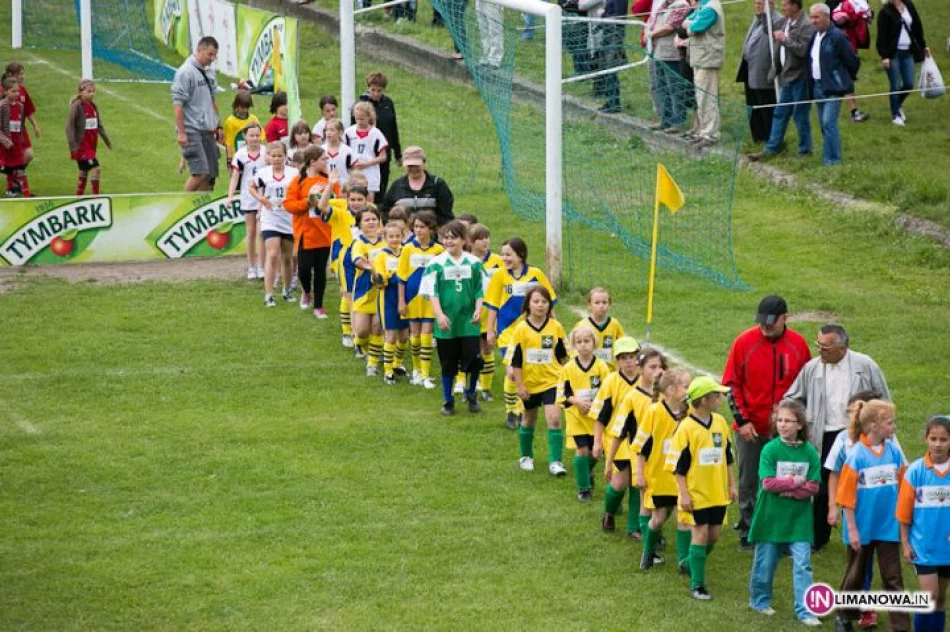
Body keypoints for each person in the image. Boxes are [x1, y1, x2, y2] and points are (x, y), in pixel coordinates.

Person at [783, 322, 891, 552]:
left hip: (858, 437)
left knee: (861, 485)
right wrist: (793, 421)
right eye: (818, 345)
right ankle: (818, 538)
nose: (820, 350)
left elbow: (884, 400)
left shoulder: (864, 365)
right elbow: (792, 397)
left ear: (842, 347)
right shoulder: (812, 368)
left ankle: (864, 534)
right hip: (824, 435)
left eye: (825, 347)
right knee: (821, 487)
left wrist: (881, 431)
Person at [722, 295, 811, 550]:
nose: (765, 328)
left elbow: (804, 387)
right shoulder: (744, 342)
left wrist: (793, 420)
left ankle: (781, 529)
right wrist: (743, 421)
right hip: (751, 428)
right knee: (749, 480)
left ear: (785, 318)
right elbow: (731, 385)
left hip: (785, 430)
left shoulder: (798, 346)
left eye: (771, 323)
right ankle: (749, 528)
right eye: (762, 322)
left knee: (785, 479)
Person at [834, 399, 909, 632]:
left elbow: (904, 485)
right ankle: (844, 615)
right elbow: (845, 497)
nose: (894, 426)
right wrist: (853, 529)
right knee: (855, 575)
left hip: (888, 527)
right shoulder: (856, 456)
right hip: (861, 528)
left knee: (893, 578)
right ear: (874, 425)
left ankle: (901, 627)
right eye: (890, 422)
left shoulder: (894, 451)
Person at [746, 400, 822, 627]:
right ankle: (759, 601)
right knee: (765, 562)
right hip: (771, 516)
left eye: (788, 421)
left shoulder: (809, 452)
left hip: (798, 519)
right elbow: (768, 483)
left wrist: (790, 490)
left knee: (803, 564)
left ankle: (806, 611)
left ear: (800, 425)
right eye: (779, 420)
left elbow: (814, 487)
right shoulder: (770, 449)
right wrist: (795, 482)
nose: (782, 425)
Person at [665, 375, 737, 601]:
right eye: (717, 395)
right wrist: (683, 493)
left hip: (717, 493)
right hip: (696, 493)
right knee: (700, 534)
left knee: (713, 536)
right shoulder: (685, 428)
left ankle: (688, 563)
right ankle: (698, 585)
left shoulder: (720, 423)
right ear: (704, 400)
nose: (720, 398)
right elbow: (678, 467)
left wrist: (731, 485)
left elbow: (727, 457)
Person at [484, 237, 557, 430]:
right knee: (511, 372)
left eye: (508, 254)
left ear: (521, 255)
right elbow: (492, 305)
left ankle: (519, 409)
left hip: (531, 333)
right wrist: (490, 330)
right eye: (503, 254)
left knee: (523, 371)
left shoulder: (535, 274)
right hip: (507, 334)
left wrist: (555, 326)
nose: (504, 258)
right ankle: (512, 411)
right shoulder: (499, 276)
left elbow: (549, 301)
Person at [420, 220, 486, 415]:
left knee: (474, 360)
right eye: (445, 238)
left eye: (453, 237)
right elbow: (432, 292)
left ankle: (471, 394)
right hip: (446, 322)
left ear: (463, 240)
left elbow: (479, 289)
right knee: (448, 363)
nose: (449, 241)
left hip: (468, 322)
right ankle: (448, 401)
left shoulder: (474, 263)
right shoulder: (435, 264)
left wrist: (478, 309)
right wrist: (439, 315)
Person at [633, 367, 692, 571]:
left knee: (683, 518)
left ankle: (683, 562)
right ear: (671, 390)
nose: (689, 390)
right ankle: (648, 552)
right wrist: (639, 472)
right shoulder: (654, 412)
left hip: (683, 478)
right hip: (659, 476)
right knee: (658, 518)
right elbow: (641, 446)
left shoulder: (690, 412)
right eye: (686, 386)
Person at [605, 348, 667, 542]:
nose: (658, 371)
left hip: (663, 455)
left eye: (661, 367)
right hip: (638, 454)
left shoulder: (668, 395)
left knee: (659, 496)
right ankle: (621, 519)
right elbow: (619, 433)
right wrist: (608, 462)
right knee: (632, 488)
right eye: (652, 367)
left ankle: (649, 532)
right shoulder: (632, 398)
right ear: (641, 369)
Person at [897, 415, 950, 632]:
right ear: (926, 439)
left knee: (940, 599)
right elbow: (903, 513)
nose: (938, 444)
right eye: (933, 438)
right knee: (929, 597)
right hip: (924, 547)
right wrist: (905, 543)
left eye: (944, 439)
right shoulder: (916, 471)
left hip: (946, 549)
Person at [509, 286, 569, 475]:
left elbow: (562, 356)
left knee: (554, 419)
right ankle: (526, 457)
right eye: (536, 301)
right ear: (528, 304)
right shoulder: (521, 329)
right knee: (529, 419)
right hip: (529, 383)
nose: (540, 305)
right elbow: (516, 361)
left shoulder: (555, 327)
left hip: (552, 381)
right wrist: (520, 384)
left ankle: (556, 462)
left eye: (544, 302)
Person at [747, 0, 815, 161]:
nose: (783, 7)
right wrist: (763, 13)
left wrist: (784, 39)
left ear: (795, 6)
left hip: (800, 78)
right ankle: (772, 148)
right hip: (786, 77)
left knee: (800, 115)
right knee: (780, 113)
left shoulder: (806, 25)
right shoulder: (786, 22)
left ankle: (805, 151)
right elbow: (768, 29)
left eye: (786, 4)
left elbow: (802, 50)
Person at [591, 336, 641, 528]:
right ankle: (609, 512)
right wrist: (597, 442)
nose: (629, 361)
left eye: (632, 356)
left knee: (637, 481)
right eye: (623, 357)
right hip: (617, 439)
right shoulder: (611, 382)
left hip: (640, 440)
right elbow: (601, 417)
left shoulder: (647, 381)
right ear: (616, 361)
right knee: (619, 483)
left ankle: (634, 527)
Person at [557, 325, 611, 501]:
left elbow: (608, 391)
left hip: (596, 419)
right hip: (577, 417)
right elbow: (562, 393)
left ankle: (587, 471)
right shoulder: (569, 368)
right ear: (573, 345)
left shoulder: (602, 367)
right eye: (578, 342)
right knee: (582, 450)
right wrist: (577, 401)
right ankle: (584, 488)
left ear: (594, 343)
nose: (583, 345)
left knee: (596, 452)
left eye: (587, 341)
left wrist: (597, 404)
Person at [284, 145, 337, 318]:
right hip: (305, 233)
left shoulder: (329, 180)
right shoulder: (298, 181)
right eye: (323, 159)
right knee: (304, 269)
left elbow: (338, 200)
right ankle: (306, 291)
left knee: (321, 270)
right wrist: (308, 201)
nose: (327, 161)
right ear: (313, 162)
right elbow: (289, 205)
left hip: (324, 233)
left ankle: (319, 306)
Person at [807, 3, 860, 166]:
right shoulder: (814, 36)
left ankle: (833, 161)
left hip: (833, 87)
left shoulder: (838, 36)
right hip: (817, 86)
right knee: (824, 125)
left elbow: (852, 60)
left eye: (817, 17)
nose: (813, 21)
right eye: (812, 17)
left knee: (828, 123)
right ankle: (828, 155)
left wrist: (843, 78)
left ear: (826, 17)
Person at [397, 210, 445, 390]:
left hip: (430, 298)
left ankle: (425, 374)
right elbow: (401, 277)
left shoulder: (439, 250)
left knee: (426, 335)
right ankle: (416, 370)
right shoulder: (408, 249)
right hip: (411, 298)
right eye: (416, 226)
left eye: (422, 227)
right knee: (414, 335)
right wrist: (401, 301)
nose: (418, 230)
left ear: (431, 229)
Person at [319, 174, 367, 348]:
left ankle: (363, 328)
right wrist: (330, 185)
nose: (356, 203)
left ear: (366, 199)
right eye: (352, 199)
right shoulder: (340, 213)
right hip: (344, 258)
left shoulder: (371, 213)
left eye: (359, 199)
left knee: (363, 294)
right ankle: (348, 332)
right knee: (347, 295)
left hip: (365, 258)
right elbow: (322, 206)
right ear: (346, 199)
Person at [251, 142, 299, 307]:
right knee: (272, 255)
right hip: (270, 218)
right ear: (269, 157)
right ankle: (268, 294)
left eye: (280, 156)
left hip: (288, 218)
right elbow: (251, 186)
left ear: (285, 156)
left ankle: (287, 290)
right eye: (274, 156)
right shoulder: (263, 173)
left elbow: (301, 190)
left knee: (288, 257)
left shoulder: (294, 173)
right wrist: (261, 199)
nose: (277, 159)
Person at [172, 36, 222, 192]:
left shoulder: (209, 72)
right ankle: (182, 207)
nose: (212, 59)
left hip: (208, 129)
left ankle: (202, 208)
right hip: (192, 129)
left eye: (215, 55)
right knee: (200, 172)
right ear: (199, 50)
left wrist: (218, 125)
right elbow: (178, 104)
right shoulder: (185, 73)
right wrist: (181, 132)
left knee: (211, 176)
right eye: (210, 54)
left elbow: (212, 99)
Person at [876, 0, 930, 127]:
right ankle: (896, 115)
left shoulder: (909, 6)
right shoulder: (885, 12)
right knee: (895, 84)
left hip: (908, 52)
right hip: (892, 53)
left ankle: (896, 104)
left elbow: (917, 27)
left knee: (909, 84)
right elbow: (881, 36)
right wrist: (884, 56)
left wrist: (923, 46)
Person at [737, 0, 783, 144]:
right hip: (750, 69)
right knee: (753, 105)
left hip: (765, 70)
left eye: (760, 3)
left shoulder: (777, 20)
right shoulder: (757, 18)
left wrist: (773, 69)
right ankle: (758, 137)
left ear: (770, 4)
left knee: (766, 105)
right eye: (756, 3)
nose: (757, 6)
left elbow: (776, 46)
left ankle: (771, 138)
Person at [682, 0, 725, 148]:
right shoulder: (703, 6)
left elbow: (694, 28)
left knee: (707, 97)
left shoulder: (710, 8)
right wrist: (690, 24)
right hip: (700, 58)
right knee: (701, 97)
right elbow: (685, 22)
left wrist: (691, 25)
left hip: (708, 58)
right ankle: (703, 132)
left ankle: (710, 134)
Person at [469, 224, 505, 399]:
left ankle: (486, 387)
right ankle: (469, 384)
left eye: (486, 237)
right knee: (471, 350)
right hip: (471, 312)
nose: (484, 241)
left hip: (491, 313)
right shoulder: (467, 260)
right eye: (479, 238)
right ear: (470, 242)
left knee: (488, 348)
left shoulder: (499, 261)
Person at [227, 122, 266, 280]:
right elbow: (235, 177)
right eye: (251, 135)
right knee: (250, 233)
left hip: (263, 198)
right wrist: (230, 196)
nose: (254, 138)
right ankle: (251, 267)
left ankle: (262, 266)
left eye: (257, 135)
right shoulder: (240, 155)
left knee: (261, 233)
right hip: (248, 198)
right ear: (245, 136)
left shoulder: (266, 153)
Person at [377, 146, 455, 225]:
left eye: (416, 165)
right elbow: (385, 212)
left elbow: (446, 215)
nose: (413, 169)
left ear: (424, 163)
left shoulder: (438, 184)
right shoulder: (397, 186)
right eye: (410, 166)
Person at [349, 207, 386, 375]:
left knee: (377, 327)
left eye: (374, 219)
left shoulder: (386, 241)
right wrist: (371, 268)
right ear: (359, 225)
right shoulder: (359, 242)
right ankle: (358, 342)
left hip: (382, 292)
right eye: (367, 220)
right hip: (364, 292)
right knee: (363, 331)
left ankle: (372, 363)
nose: (371, 222)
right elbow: (357, 260)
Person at [372, 222, 409, 384]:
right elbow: (379, 278)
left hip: (405, 297)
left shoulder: (406, 253)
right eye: (391, 236)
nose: (395, 239)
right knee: (391, 336)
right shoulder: (381, 256)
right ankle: (388, 371)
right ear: (385, 238)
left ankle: (397, 363)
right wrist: (388, 275)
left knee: (404, 336)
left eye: (398, 236)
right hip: (388, 298)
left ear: (402, 236)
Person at [649, 0, 692, 133]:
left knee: (675, 89)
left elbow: (671, 27)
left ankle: (678, 122)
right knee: (661, 88)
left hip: (671, 55)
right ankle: (664, 120)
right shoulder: (664, 5)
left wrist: (651, 34)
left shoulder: (682, 5)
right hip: (658, 52)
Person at [357, 73, 401, 197]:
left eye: (379, 90)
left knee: (382, 185)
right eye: (373, 90)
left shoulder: (388, 103)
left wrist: (397, 153)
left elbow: (393, 128)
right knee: (366, 187)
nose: (376, 93)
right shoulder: (361, 104)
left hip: (384, 151)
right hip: (367, 153)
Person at [66, 79, 113, 196]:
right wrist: (73, 145)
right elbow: (69, 127)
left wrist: (106, 140)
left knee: (84, 170)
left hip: (91, 146)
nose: (92, 94)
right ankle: (95, 196)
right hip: (81, 147)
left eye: (93, 91)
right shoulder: (76, 106)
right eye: (89, 91)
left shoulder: (93, 106)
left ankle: (79, 195)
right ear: (81, 91)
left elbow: (99, 125)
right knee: (96, 168)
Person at [831, 0, 872, 123]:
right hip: (838, 44)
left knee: (848, 78)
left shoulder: (858, 2)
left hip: (850, 43)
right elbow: (830, 19)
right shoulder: (837, 3)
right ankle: (852, 112)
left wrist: (864, 16)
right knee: (845, 78)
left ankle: (853, 111)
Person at [1, 63, 39, 186]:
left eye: (23, 73)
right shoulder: (3, 91)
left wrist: (35, 125)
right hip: (4, 131)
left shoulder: (22, 90)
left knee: (28, 155)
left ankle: (15, 181)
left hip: (19, 130)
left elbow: (28, 109)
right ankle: (14, 184)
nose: (23, 76)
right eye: (21, 73)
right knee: (6, 160)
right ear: (11, 75)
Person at [345, 101, 388, 203]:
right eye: (357, 118)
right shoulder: (348, 132)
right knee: (353, 200)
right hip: (354, 172)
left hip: (370, 173)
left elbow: (383, 157)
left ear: (369, 117)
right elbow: (344, 152)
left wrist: (366, 163)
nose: (359, 121)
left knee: (368, 203)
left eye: (362, 118)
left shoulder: (376, 133)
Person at [574, 287, 626, 371]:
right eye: (597, 303)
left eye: (604, 302)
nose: (601, 306)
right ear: (589, 305)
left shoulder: (615, 324)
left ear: (609, 304)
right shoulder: (582, 325)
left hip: (610, 372)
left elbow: (623, 346)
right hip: (590, 371)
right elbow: (574, 349)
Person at [0, 78, 31, 198]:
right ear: (6, 91)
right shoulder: (2, 106)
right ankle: (10, 188)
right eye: (13, 91)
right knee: (8, 168)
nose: (17, 94)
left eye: (17, 91)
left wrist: (21, 140)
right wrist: (6, 140)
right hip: (4, 145)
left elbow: (21, 124)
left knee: (19, 168)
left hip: (17, 144)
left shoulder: (20, 106)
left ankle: (26, 195)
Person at [222, 90, 262, 161]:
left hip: (253, 157)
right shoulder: (230, 121)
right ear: (236, 105)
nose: (245, 110)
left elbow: (261, 138)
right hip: (238, 159)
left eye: (247, 108)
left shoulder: (253, 119)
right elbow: (229, 143)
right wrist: (229, 159)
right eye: (243, 108)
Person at [321, 119, 354, 186]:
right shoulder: (321, 150)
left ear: (340, 132)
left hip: (343, 187)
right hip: (325, 186)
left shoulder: (348, 151)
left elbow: (354, 171)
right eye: (327, 130)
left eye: (332, 130)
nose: (328, 133)